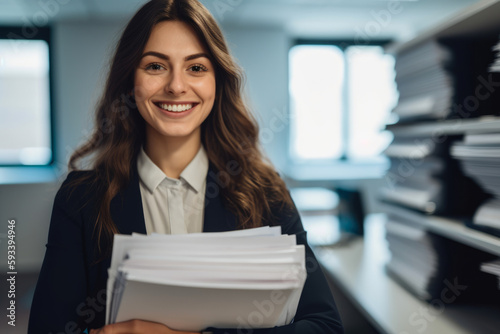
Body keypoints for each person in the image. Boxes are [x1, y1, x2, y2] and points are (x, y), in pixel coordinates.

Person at [28, 0, 344, 333]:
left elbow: (324, 325)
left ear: (217, 81)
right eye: (155, 66)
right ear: (128, 81)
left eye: (196, 68)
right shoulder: (81, 199)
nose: (176, 86)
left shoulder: (266, 192)